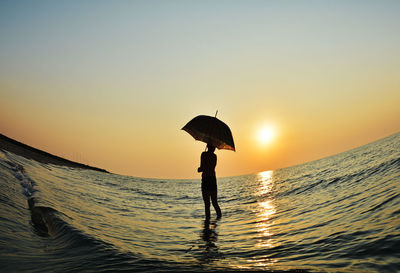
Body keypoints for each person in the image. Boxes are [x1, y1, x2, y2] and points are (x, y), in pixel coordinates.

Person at [198, 143, 222, 220]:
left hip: (206, 180)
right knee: (215, 203)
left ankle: (207, 222)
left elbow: (202, 168)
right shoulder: (214, 156)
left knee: (207, 204)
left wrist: (199, 169)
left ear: (207, 146)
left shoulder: (203, 154)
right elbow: (211, 167)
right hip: (212, 179)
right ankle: (219, 219)